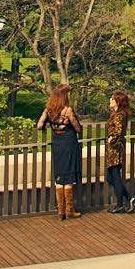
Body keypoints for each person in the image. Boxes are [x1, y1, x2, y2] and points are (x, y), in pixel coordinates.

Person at [38, 83, 82, 219]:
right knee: (68, 175)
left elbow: (39, 125)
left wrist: (49, 126)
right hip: (68, 143)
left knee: (59, 175)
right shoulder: (68, 110)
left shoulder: (49, 110)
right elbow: (77, 128)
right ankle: (69, 209)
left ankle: (60, 210)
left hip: (57, 144)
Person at [104, 89, 135, 214]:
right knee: (111, 177)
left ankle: (120, 204)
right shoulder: (115, 114)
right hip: (113, 149)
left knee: (114, 175)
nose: (110, 100)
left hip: (115, 149)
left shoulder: (119, 115)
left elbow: (118, 132)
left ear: (118, 102)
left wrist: (111, 140)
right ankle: (130, 198)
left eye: (112, 99)